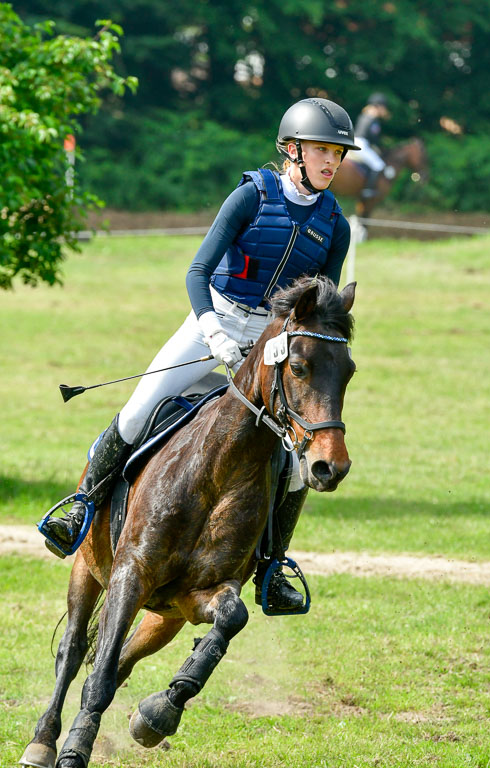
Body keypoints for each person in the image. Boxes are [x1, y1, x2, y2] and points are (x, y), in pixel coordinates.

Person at [41, 97, 360, 611]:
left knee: (296, 464)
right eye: (322, 150)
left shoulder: (335, 225)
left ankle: (273, 566)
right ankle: (81, 508)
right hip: (216, 317)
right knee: (140, 409)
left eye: (337, 154)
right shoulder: (250, 198)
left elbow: (319, 308)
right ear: (293, 150)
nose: (331, 162)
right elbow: (197, 272)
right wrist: (212, 332)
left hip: (274, 342)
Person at [353, 92, 392, 198]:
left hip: (356, 141)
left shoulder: (365, 115)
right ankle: (368, 190)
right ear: (378, 107)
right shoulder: (373, 119)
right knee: (378, 165)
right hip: (362, 144)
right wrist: (379, 146)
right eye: (383, 108)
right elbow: (372, 136)